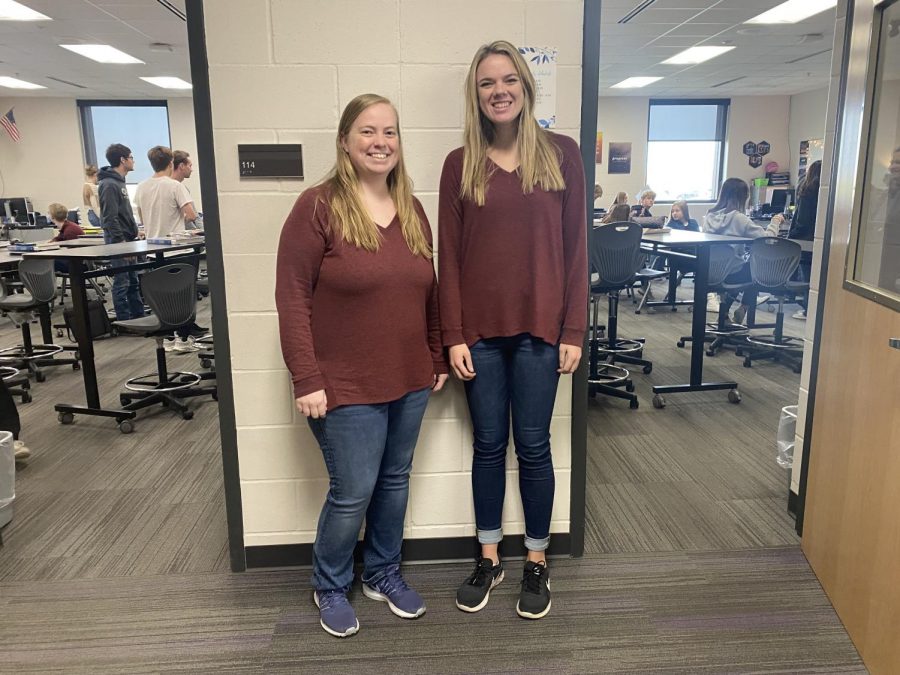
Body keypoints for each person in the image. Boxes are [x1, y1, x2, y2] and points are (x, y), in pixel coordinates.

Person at [275, 93, 448, 639]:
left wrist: (436, 351)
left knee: (395, 480)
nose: (380, 143)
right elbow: (292, 297)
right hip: (342, 384)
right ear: (346, 142)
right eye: (368, 132)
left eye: (390, 132)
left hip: (409, 377)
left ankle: (383, 574)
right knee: (353, 490)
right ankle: (329, 583)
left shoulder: (413, 207)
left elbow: (429, 290)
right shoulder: (318, 206)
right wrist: (306, 377)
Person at [438, 40, 587, 621]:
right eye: (486, 83)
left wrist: (574, 326)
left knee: (534, 446)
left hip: (542, 332)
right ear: (475, 96)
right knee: (487, 446)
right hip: (478, 333)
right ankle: (488, 557)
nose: (498, 91)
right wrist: (452, 333)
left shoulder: (563, 155)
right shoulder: (460, 163)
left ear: (525, 88)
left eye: (508, 81)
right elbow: (447, 258)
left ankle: (537, 561)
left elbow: (577, 250)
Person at [703, 177, 779, 323]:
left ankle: (724, 316)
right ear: (743, 197)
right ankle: (743, 308)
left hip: (708, 272)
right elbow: (767, 239)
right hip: (731, 273)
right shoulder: (740, 219)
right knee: (754, 269)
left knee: (739, 267)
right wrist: (775, 223)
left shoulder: (709, 217)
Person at [98, 143, 144, 321]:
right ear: (122, 160)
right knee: (122, 281)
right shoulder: (109, 184)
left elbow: (123, 213)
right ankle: (124, 320)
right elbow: (109, 218)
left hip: (128, 239)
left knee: (132, 280)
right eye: (131, 157)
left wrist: (134, 231)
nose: (133, 161)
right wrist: (120, 243)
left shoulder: (119, 182)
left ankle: (138, 317)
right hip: (119, 242)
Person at [772, 160, 820, 319]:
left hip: (803, 240)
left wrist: (791, 236)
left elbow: (802, 220)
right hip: (819, 240)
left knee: (807, 277)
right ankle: (813, 309)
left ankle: (808, 309)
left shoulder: (807, 192)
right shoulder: (826, 193)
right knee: (816, 277)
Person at [134, 145, 197, 239]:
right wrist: (174, 220)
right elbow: (192, 216)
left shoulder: (141, 187)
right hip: (176, 249)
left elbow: (143, 220)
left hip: (153, 248)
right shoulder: (175, 186)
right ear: (171, 163)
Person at [46, 202, 84, 273]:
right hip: (76, 261)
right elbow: (59, 238)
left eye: (48, 213)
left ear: (52, 217)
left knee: (44, 261)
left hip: (75, 264)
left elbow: (72, 253)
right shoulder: (68, 226)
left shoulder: (69, 231)